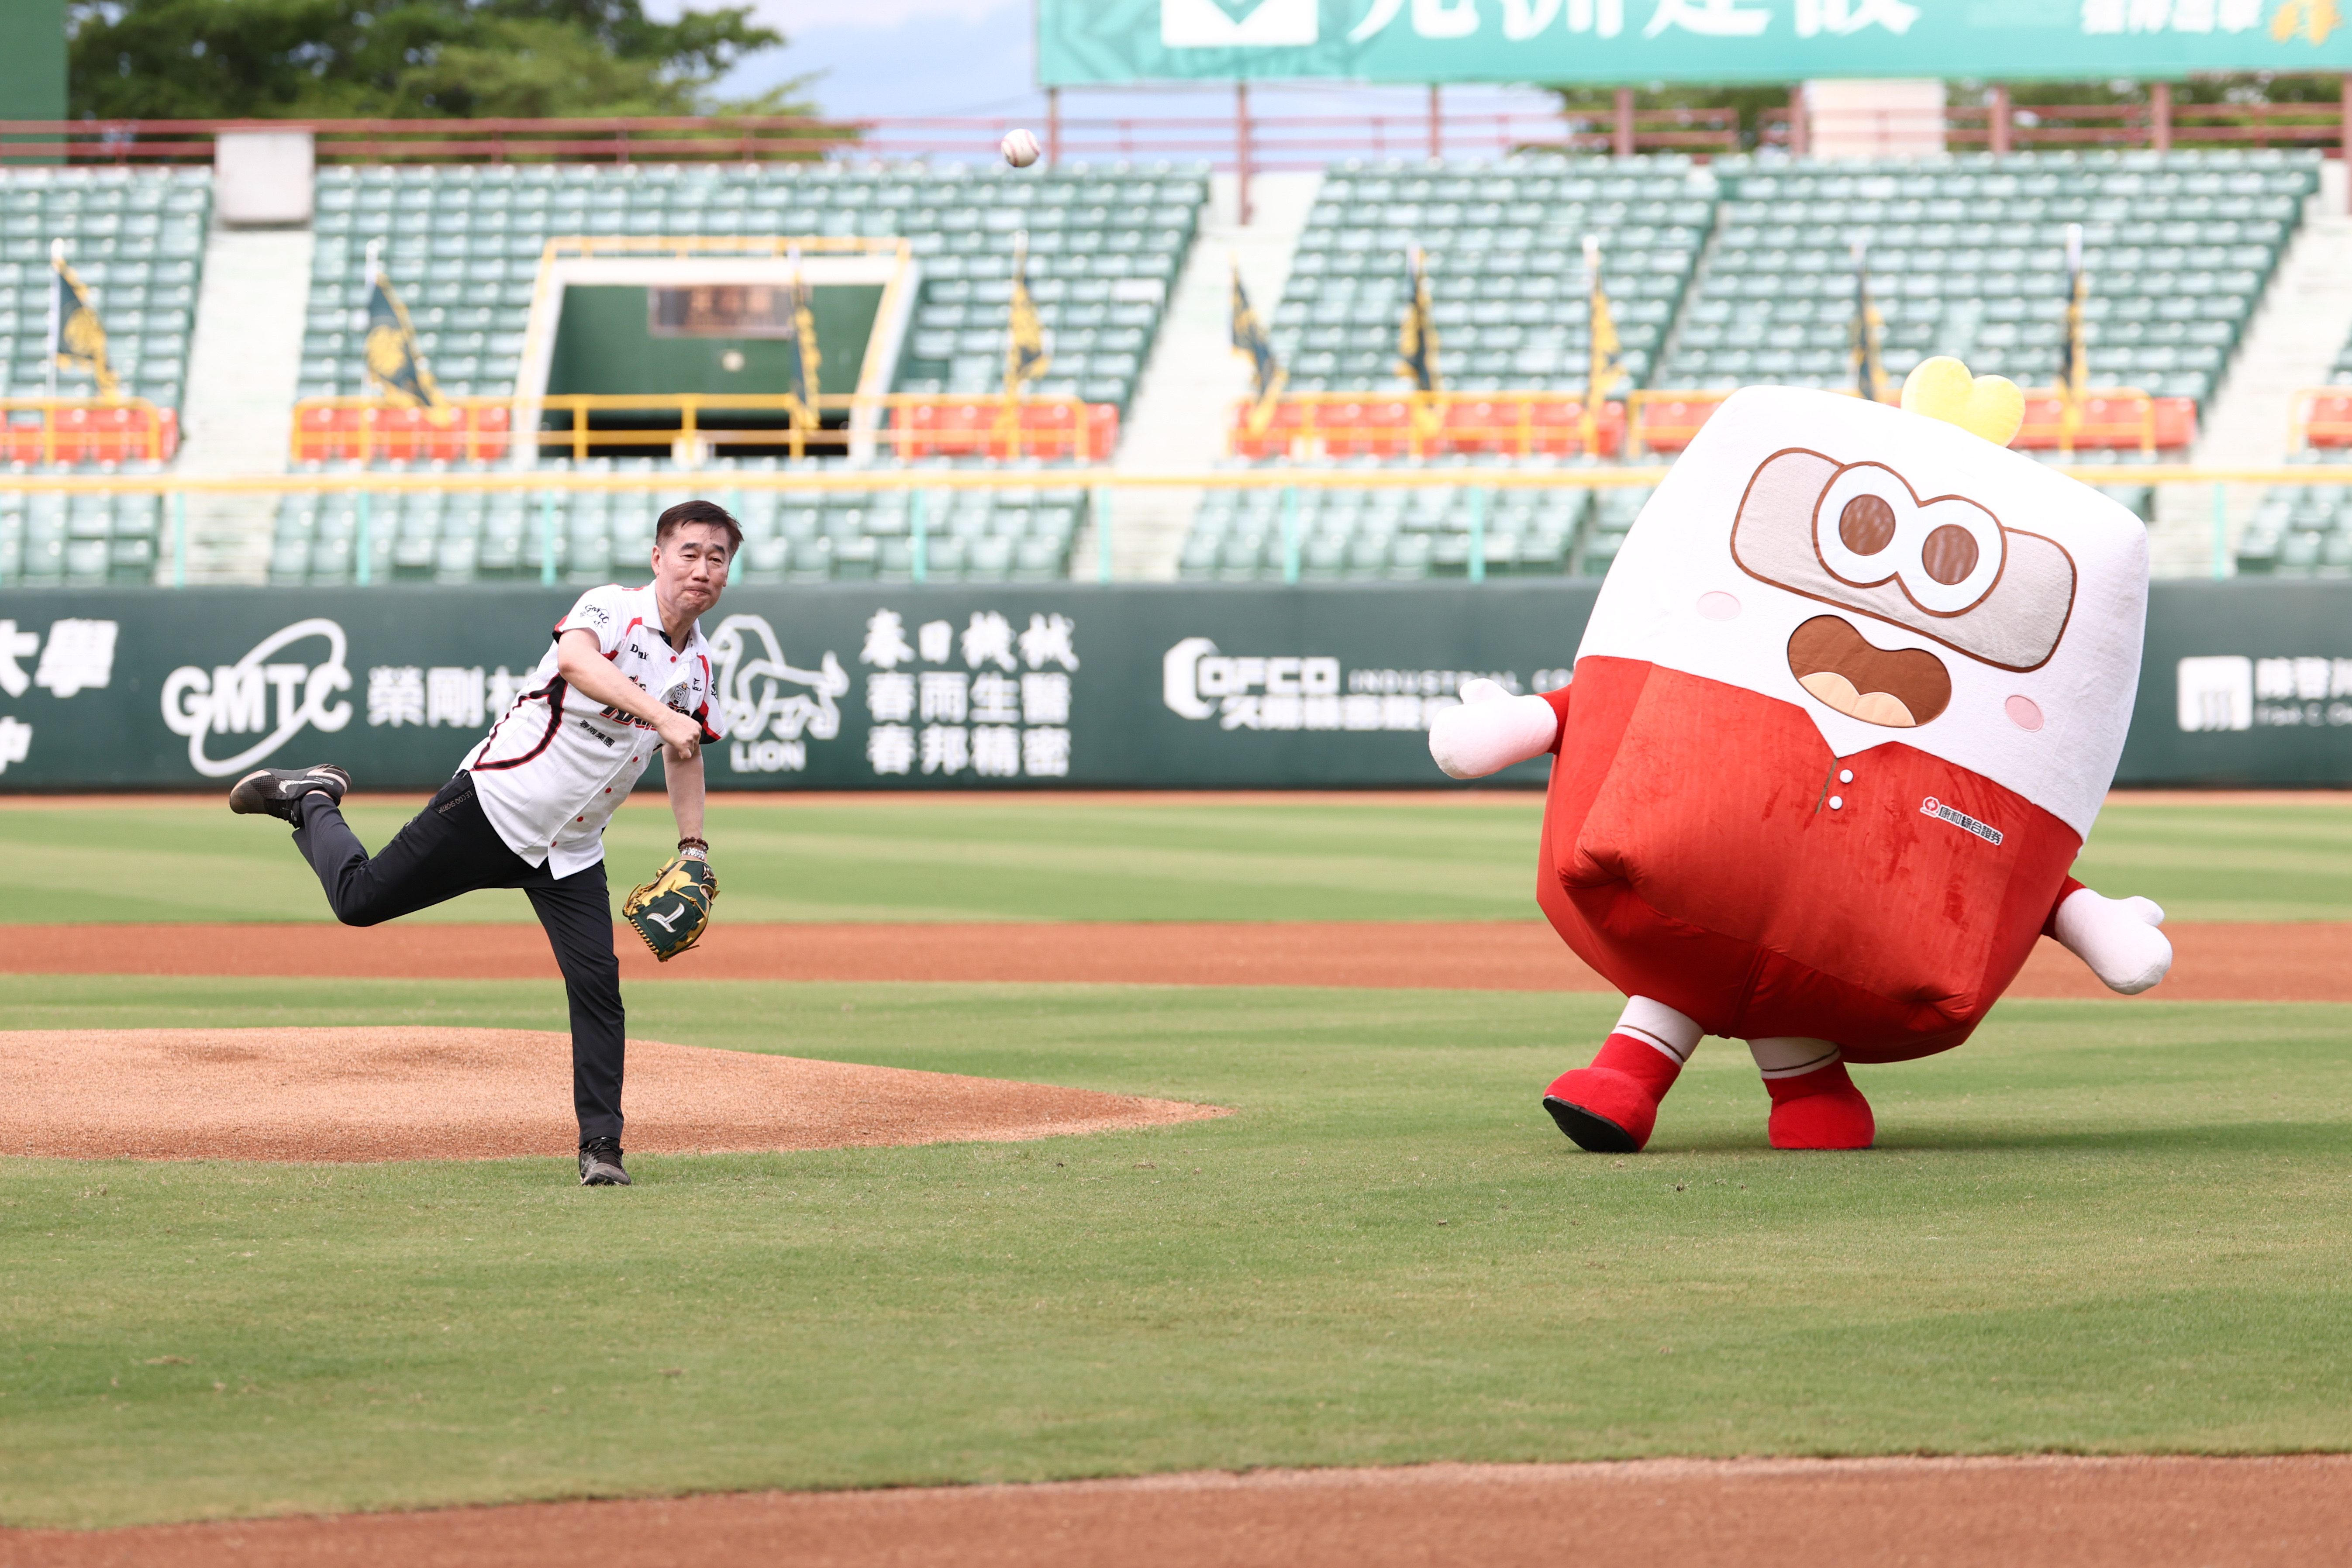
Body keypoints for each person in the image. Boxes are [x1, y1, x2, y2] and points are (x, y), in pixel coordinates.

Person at [227, 500, 739, 1186]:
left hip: (572, 851)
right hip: (493, 807)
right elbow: (577, 662)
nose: (702, 568)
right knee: (358, 901)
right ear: (658, 558)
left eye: (717, 557)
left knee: (598, 987)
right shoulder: (613, 610)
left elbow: (684, 754)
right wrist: (659, 716)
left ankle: (602, 1149)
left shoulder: (699, 667)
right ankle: (311, 798)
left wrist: (694, 846)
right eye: (690, 552)